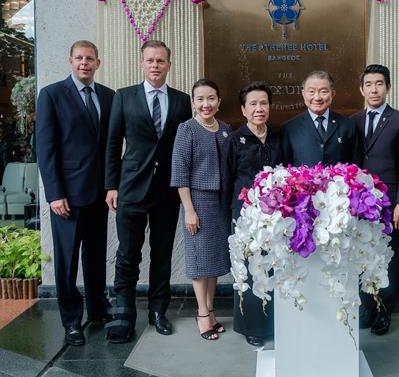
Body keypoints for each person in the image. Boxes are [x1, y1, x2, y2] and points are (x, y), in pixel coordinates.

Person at [104, 40, 192, 343]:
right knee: (128, 253)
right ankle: (123, 314)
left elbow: (184, 147)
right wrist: (111, 185)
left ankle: (158, 311)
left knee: (162, 253)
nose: (155, 65)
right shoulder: (124, 96)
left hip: (167, 189)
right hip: (130, 187)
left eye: (161, 61)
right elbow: (113, 143)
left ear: (169, 65)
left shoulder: (182, 101)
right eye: (150, 60)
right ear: (142, 63)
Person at [36, 40, 115, 346]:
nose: (84, 63)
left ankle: (98, 309)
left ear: (98, 63)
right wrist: (54, 193)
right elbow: (45, 149)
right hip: (67, 196)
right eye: (79, 58)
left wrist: (111, 186)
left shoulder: (108, 96)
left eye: (90, 58)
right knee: (67, 261)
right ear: (70, 60)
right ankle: (71, 321)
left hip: (98, 194)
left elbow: (109, 146)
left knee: (95, 257)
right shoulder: (52, 95)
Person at [351, 64, 399, 336]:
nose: (374, 89)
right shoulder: (353, 121)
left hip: (389, 204)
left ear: (388, 87)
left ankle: (384, 311)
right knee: (360, 255)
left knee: (388, 257)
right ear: (361, 89)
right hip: (358, 204)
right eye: (369, 84)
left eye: (379, 84)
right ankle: (366, 308)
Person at [171, 79, 232, 341]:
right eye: (200, 99)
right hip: (197, 201)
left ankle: (211, 311)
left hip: (221, 203)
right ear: (193, 103)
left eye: (211, 98)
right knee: (199, 261)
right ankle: (202, 314)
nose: (206, 104)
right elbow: (180, 173)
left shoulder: (226, 129)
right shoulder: (187, 129)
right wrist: (189, 210)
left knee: (214, 260)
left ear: (219, 101)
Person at [224, 81, 281, 348]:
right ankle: (252, 326)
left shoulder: (278, 137)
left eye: (264, 103)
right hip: (245, 217)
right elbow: (227, 181)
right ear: (244, 109)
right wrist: (230, 216)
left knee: (273, 267)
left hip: (276, 217)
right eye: (253, 104)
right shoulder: (234, 140)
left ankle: (275, 323)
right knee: (249, 270)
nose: (259, 109)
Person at [280, 71, 361, 167]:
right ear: (303, 94)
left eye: (323, 91)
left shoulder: (348, 125)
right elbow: (285, 168)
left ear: (332, 94)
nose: (317, 98)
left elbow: (355, 165)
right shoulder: (289, 129)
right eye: (311, 91)